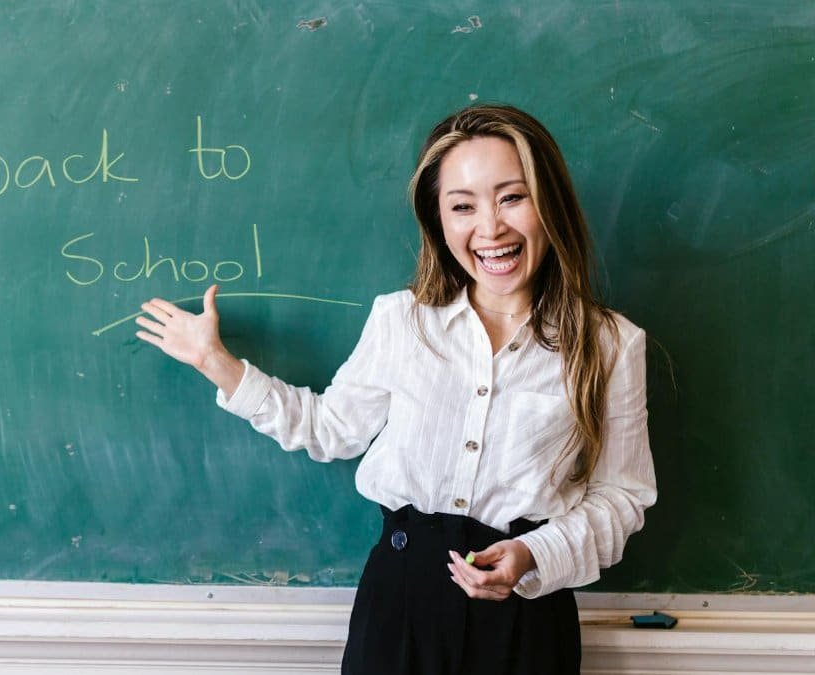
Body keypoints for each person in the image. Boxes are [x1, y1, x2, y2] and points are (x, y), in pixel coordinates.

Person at [134, 104, 656, 675]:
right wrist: (217, 362)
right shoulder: (401, 322)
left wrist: (536, 554)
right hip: (400, 606)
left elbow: (622, 497)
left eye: (512, 197)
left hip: (526, 611)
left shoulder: (611, 344)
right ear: (438, 221)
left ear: (549, 203)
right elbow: (327, 430)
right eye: (463, 206)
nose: (490, 228)